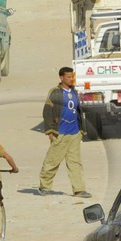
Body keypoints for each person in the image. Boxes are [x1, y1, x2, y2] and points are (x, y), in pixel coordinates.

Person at [37, 66, 89, 197]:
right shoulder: (55, 92)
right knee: (53, 160)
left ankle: (79, 189)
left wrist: (82, 130)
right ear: (61, 78)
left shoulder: (74, 92)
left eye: (72, 76)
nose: (71, 79)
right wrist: (50, 131)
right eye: (68, 77)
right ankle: (44, 186)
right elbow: (47, 111)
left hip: (75, 133)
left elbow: (78, 111)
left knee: (75, 162)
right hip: (60, 132)